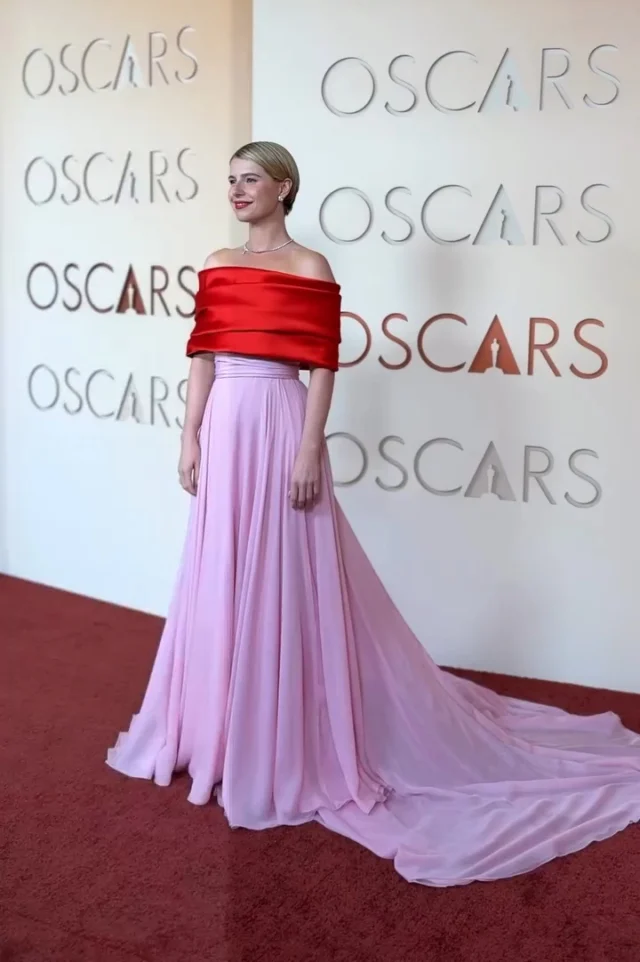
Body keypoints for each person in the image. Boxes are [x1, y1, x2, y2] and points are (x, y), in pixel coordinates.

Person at [107, 141, 640, 887]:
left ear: (284, 187)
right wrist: (189, 433)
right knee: (221, 571)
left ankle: (285, 742)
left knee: (287, 574)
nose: (236, 190)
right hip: (226, 421)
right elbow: (201, 355)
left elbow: (323, 365)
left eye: (250, 179)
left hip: (279, 423)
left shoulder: (309, 267)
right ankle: (219, 733)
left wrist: (306, 450)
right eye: (230, 180)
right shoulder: (217, 258)